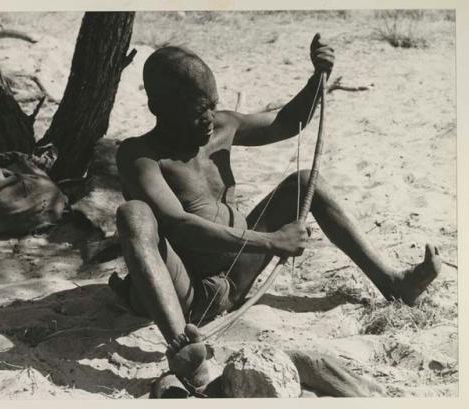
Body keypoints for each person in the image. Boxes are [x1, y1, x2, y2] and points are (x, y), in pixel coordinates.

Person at [110, 33, 441, 389]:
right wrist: (271, 241)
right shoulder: (139, 155)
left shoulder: (222, 127)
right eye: (195, 112)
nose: (208, 118)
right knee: (134, 214)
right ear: (158, 108)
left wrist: (317, 79)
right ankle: (184, 350)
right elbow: (179, 225)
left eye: (211, 105)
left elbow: (287, 121)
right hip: (184, 294)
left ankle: (392, 282)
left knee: (303, 181)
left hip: (236, 277)